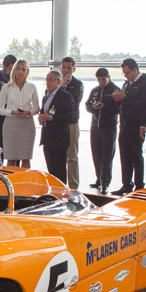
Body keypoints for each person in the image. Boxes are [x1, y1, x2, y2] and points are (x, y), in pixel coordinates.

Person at [111, 58, 146, 196]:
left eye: (127, 73)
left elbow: (145, 105)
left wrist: (125, 97)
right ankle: (126, 184)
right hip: (124, 124)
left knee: (136, 157)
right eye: (124, 73)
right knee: (125, 157)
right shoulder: (127, 84)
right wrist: (118, 98)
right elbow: (123, 103)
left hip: (136, 125)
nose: (125, 76)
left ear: (135, 70)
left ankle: (139, 185)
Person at [0, 59, 40, 168]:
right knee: (11, 159)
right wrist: (12, 112)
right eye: (18, 69)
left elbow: (37, 108)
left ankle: (25, 179)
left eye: (23, 69)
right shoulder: (6, 87)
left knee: (26, 158)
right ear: (14, 70)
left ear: (27, 72)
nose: (20, 72)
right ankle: (11, 179)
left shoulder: (32, 87)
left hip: (27, 124)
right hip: (11, 125)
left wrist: (29, 112)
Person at [85, 68, 121, 194]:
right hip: (95, 126)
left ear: (108, 78)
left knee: (107, 156)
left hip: (109, 127)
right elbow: (87, 105)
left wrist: (105, 107)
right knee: (96, 155)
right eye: (99, 80)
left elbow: (119, 108)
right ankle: (98, 179)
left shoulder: (115, 90)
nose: (101, 82)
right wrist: (93, 107)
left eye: (104, 79)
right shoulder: (95, 91)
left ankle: (105, 182)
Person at [38, 70, 73, 183]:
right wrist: (41, 118)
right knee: (51, 169)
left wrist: (51, 117)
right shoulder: (46, 96)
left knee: (60, 169)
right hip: (47, 137)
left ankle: (61, 191)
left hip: (59, 138)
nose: (47, 82)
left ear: (58, 82)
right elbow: (44, 112)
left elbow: (69, 116)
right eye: (46, 80)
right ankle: (53, 189)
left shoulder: (65, 96)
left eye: (50, 80)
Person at [60, 56, 84, 189]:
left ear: (73, 69)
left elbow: (73, 102)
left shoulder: (78, 84)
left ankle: (74, 186)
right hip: (58, 124)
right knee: (59, 156)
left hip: (72, 123)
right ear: (60, 68)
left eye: (69, 68)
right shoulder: (56, 81)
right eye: (64, 67)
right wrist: (62, 85)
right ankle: (60, 185)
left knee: (72, 156)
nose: (66, 70)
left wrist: (65, 87)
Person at [0, 54, 17, 166]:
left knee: (15, 149)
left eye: (14, 70)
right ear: (4, 66)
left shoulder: (17, 80)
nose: (12, 72)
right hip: (0, 119)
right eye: (10, 69)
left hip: (14, 119)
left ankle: (14, 172)